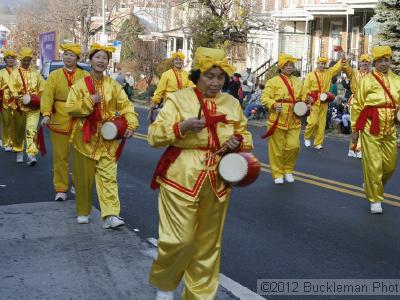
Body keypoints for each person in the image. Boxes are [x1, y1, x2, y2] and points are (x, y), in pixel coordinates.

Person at [147, 46, 253, 300]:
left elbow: (245, 134)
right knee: (179, 240)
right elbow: (153, 136)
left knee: (208, 245)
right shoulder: (179, 99)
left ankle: (199, 295)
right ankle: (166, 282)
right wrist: (182, 126)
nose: (215, 82)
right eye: (209, 76)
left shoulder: (232, 103)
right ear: (197, 75)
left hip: (218, 180)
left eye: (220, 77)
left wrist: (237, 141)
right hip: (181, 176)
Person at [65, 43, 138, 227]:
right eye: (97, 57)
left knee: (109, 177)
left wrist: (131, 123)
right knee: (83, 179)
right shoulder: (80, 85)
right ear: (90, 61)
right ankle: (83, 210)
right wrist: (90, 100)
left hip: (107, 139)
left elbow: (126, 105)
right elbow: (71, 108)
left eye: (104, 58)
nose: (101, 61)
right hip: (85, 138)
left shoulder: (113, 86)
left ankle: (110, 215)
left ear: (108, 62)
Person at [351, 45, 400, 214]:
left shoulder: (398, 80)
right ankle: (375, 199)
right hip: (371, 125)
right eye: (380, 61)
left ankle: (370, 184)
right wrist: (356, 128)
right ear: (375, 62)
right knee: (373, 164)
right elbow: (357, 105)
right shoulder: (366, 80)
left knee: (390, 166)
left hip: (391, 126)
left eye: (387, 60)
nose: (384, 64)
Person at [41, 43, 89, 202]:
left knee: (79, 157)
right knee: (60, 157)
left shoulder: (85, 75)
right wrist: (46, 114)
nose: (67, 58)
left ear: (77, 58)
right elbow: (47, 95)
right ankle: (60, 188)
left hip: (80, 120)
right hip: (59, 119)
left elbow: (92, 96)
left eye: (71, 55)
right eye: (66, 54)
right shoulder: (54, 75)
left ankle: (76, 184)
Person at [261, 54, 304, 184]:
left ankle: (288, 170)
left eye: (291, 65)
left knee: (294, 146)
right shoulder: (273, 81)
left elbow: (303, 96)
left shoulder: (298, 81)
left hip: (294, 118)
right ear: (281, 67)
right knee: (277, 149)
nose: (289, 67)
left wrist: (307, 101)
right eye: (286, 65)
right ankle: (278, 173)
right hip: (277, 119)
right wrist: (273, 104)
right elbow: (265, 98)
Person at [8, 47, 45, 165]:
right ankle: (19, 151)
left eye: (28, 59)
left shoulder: (36, 73)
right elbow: (11, 88)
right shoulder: (15, 73)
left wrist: (40, 98)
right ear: (20, 59)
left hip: (33, 107)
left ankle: (31, 154)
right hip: (18, 107)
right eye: (24, 59)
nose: (26, 62)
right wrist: (19, 97)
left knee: (32, 130)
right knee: (18, 131)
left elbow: (42, 88)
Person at [302, 53, 345, 150]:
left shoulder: (328, 72)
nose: (322, 65)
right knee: (312, 122)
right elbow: (305, 88)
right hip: (314, 101)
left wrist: (342, 60)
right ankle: (307, 137)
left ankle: (318, 143)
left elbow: (336, 68)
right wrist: (309, 99)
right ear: (317, 64)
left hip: (324, 101)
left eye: (324, 63)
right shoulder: (310, 75)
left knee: (321, 124)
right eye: (320, 63)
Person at [343, 54, 371, 158]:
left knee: (364, 127)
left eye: (367, 62)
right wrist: (344, 58)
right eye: (363, 62)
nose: (365, 64)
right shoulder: (354, 73)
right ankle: (352, 148)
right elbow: (345, 68)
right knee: (355, 127)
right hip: (355, 102)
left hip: (367, 102)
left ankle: (360, 149)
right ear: (360, 63)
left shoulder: (372, 75)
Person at [0, 50, 18, 153]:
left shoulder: (18, 71)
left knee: (16, 122)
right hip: (5, 100)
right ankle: (7, 142)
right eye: (8, 58)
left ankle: (15, 142)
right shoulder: (1, 73)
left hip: (17, 100)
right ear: (5, 60)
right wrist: (7, 85)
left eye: (12, 58)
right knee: (6, 122)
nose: (10, 60)